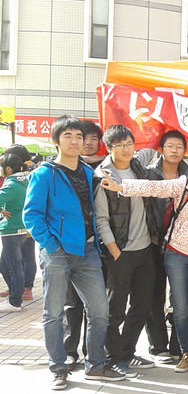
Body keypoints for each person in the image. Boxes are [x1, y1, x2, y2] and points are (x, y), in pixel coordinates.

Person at [100, 143, 188, 381]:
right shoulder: (185, 183)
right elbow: (153, 187)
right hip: (177, 253)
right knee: (181, 310)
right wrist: (121, 187)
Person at [23, 115, 125, 390]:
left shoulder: (88, 172)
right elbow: (31, 215)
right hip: (57, 253)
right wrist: (51, 245)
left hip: (87, 250)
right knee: (53, 313)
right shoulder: (45, 173)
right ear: (55, 141)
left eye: (79, 136)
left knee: (99, 311)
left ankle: (96, 365)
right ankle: (58, 368)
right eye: (67, 136)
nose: (75, 141)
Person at [94, 125, 161, 378]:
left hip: (145, 249)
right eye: (120, 145)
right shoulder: (103, 175)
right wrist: (115, 251)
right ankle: (113, 358)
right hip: (120, 252)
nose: (126, 149)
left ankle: (126, 352)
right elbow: (101, 219)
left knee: (142, 305)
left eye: (130, 144)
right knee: (116, 309)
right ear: (109, 148)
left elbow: (152, 145)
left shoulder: (137, 166)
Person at [142, 130, 188, 362]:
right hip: (151, 241)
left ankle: (178, 345)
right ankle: (158, 346)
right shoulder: (147, 173)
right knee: (154, 293)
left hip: (181, 244)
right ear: (161, 149)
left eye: (179, 147)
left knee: (180, 295)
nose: (174, 151)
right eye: (170, 146)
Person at [62, 120, 106, 366]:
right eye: (82, 137)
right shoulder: (63, 168)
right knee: (71, 303)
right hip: (68, 246)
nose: (87, 143)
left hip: (97, 246)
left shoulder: (105, 168)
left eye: (93, 138)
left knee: (96, 305)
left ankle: (93, 353)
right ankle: (69, 351)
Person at [0, 154, 30, 313]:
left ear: (8, 169)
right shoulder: (27, 182)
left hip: (11, 230)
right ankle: (14, 295)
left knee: (13, 268)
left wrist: (1, 210)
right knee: (6, 266)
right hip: (22, 229)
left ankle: (15, 301)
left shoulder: (11, 185)